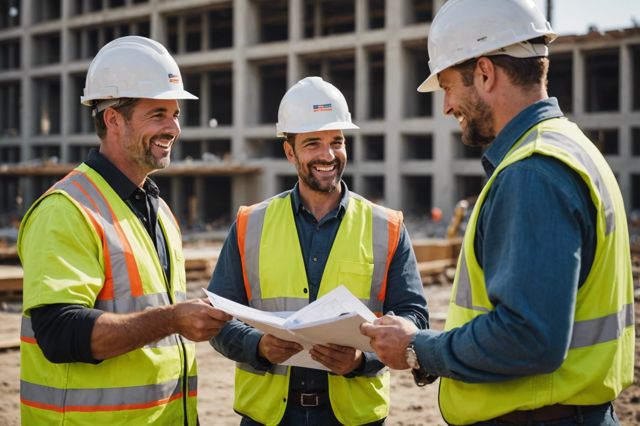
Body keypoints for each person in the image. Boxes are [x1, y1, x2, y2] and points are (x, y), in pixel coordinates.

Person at [361, 0, 635, 425]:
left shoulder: (533, 173)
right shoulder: (571, 147)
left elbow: (529, 338)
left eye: (449, 86)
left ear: (485, 73)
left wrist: (418, 347)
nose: (447, 106)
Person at [18, 36, 231, 425]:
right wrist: (172, 319)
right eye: (158, 115)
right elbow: (59, 333)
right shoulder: (67, 209)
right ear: (114, 119)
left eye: (176, 114)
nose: (174, 128)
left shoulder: (159, 210)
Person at [208, 76, 429, 425]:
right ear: (289, 151)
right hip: (268, 417)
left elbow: (414, 318)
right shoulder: (251, 224)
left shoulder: (386, 227)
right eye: (313, 143)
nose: (328, 155)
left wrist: (361, 360)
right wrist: (258, 346)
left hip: (354, 416)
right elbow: (218, 319)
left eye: (336, 142)